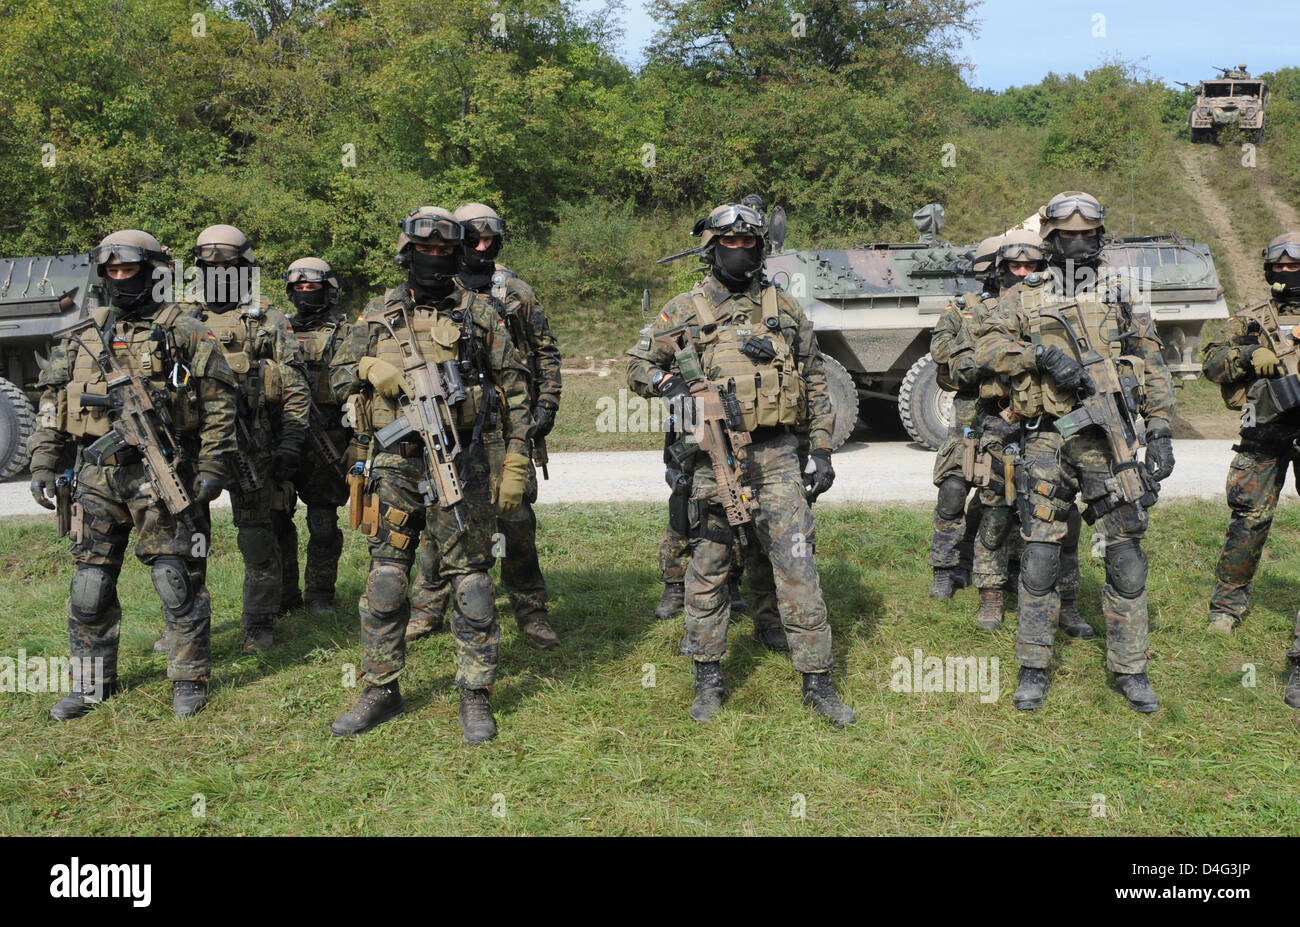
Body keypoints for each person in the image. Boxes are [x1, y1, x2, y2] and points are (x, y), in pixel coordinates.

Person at [626, 202, 855, 727]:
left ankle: (817, 682)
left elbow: (814, 379)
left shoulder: (786, 309)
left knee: (797, 566)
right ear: (711, 249)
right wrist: (670, 384)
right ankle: (708, 677)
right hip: (714, 457)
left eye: (749, 243)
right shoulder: (683, 309)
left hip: (777, 455)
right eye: (729, 243)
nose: (740, 251)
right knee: (708, 567)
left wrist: (820, 448)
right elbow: (638, 364)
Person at [328, 206, 532, 743]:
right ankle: (380, 687)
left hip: (462, 459)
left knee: (471, 581)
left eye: (445, 253)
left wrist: (514, 459)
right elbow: (333, 375)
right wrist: (369, 367)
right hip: (394, 461)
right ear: (407, 253)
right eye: (425, 252)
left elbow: (515, 391)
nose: (434, 261)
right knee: (387, 577)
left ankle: (475, 691)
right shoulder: (377, 314)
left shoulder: (480, 314)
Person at [975, 191, 1176, 713]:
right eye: (1068, 235)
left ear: (1100, 236)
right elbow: (985, 349)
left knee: (1127, 558)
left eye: (1088, 235)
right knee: (1040, 558)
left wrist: (1159, 431)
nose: (1079, 243)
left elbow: (1151, 364)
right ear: (1052, 238)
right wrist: (1039, 354)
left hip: (1111, 446)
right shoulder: (1025, 294)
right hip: (1046, 440)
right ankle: (1034, 667)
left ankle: (1131, 670)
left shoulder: (1121, 294)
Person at [29, 230, 237, 718]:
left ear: (153, 273)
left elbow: (220, 404)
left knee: (174, 577)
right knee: (90, 585)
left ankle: (188, 678)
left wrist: (212, 466)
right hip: (97, 477)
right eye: (114, 271)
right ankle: (91, 685)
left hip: (162, 474)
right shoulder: (82, 335)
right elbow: (52, 402)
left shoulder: (185, 330)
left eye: (131, 270)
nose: (122, 279)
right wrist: (43, 459)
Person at [406, 203, 561, 649]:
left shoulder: (514, 290)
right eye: (473, 237)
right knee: (441, 512)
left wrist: (544, 407)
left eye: (491, 237)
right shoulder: (437, 286)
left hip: (504, 422)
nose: (483, 245)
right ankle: (428, 605)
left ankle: (531, 610)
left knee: (515, 518)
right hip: (447, 420)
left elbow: (545, 352)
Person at [186, 225, 309, 652]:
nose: (218, 272)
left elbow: (295, 386)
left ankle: (259, 624)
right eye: (209, 266)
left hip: (252, 447)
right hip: (190, 450)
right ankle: (182, 627)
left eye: (228, 265)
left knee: (257, 539)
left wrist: (291, 442)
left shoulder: (267, 318)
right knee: (187, 541)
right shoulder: (183, 319)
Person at [1202, 231, 1300, 708]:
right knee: (1248, 523)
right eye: (1278, 264)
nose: (1285, 270)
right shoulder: (1251, 318)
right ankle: (1226, 607)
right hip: (1263, 435)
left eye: (1293, 264)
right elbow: (1213, 363)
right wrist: (1246, 354)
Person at [928, 234, 1002, 600]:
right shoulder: (962, 307)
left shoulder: (1029, 306)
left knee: (998, 496)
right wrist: (986, 352)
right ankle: (944, 568)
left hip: (1011, 415)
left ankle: (983, 562)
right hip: (970, 414)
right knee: (954, 490)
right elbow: (941, 350)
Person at [277, 257, 350, 616]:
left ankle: (320, 594)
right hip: (285, 435)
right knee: (277, 520)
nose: (306, 294)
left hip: (329, 436)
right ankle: (285, 595)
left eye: (314, 287)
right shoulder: (279, 331)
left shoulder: (346, 332)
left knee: (322, 523)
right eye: (300, 287)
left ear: (329, 290)